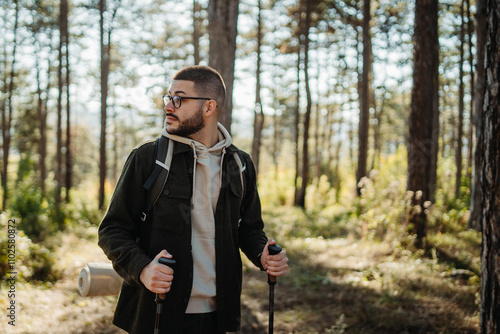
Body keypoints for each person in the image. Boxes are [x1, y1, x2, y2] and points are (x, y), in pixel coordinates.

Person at [98, 65, 288, 334]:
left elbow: (249, 230)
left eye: (180, 98)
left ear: (209, 107)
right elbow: (112, 230)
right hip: (158, 312)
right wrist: (142, 269)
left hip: (219, 314)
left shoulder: (240, 163)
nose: (168, 106)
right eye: (168, 97)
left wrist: (263, 254)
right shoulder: (148, 158)